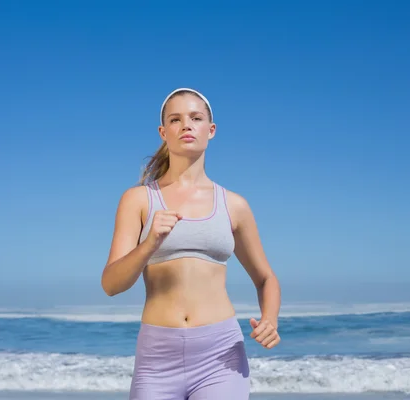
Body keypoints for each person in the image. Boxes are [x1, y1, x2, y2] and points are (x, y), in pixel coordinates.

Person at [101, 87, 281, 399]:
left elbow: (265, 278)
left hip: (220, 354)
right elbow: (111, 284)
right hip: (157, 357)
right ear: (163, 132)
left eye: (195, 118)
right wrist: (149, 244)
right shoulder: (139, 200)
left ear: (210, 131)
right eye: (175, 119)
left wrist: (270, 319)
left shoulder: (234, 205)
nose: (186, 125)